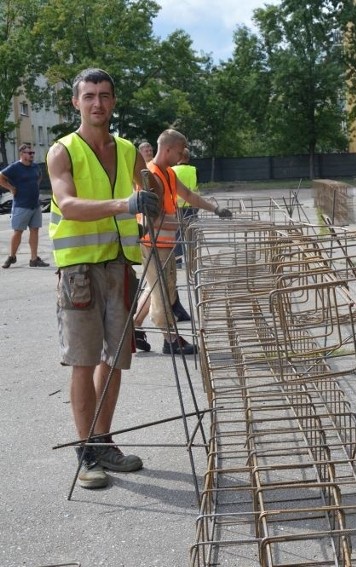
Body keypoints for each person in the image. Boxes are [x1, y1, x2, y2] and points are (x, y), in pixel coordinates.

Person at [47, 68, 161, 489]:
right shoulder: (62, 150)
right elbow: (69, 203)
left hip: (120, 267)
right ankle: (86, 452)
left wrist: (151, 197)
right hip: (78, 271)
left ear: (113, 102)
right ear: (76, 102)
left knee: (114, 361)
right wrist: (124, 203)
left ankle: (103, 440)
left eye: (105, 96)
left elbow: (148, 188)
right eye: (89, 96)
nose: (97, 103)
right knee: (82, 360)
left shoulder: (128, 149)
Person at [137, 128, 231, 355]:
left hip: (165, 243)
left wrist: (215, 209)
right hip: (152, 243)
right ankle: (171, 339)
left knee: (155, 288)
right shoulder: (149, 175)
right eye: (179, 152)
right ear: (168, 149)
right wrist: (185, 226)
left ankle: (133, 326)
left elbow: (189, 195)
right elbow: (155, 217)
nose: (182, 156)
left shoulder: (169, 173)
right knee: (162, 291)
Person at [0, 144, 50, 268]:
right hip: (21, 205)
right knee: (18, 231)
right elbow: (1, 177)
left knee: (35, 230)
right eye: (29, 153)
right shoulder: (15, 167)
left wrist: (35, 187)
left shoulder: (35, 166)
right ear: (22, 154)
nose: (32, 155)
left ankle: (34, 259)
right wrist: (11, 188)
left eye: (32, 153)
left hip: (35, 205)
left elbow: (39, 177)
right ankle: (12, 256)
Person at [172, 147, 198, 268]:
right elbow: (195, 187)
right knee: (192, 235)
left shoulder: (171, 170)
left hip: (176, 207)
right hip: (191, 207)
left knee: (177, 235)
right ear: (188, 158)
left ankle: (178, 262)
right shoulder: (194, 170)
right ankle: (194, 260)